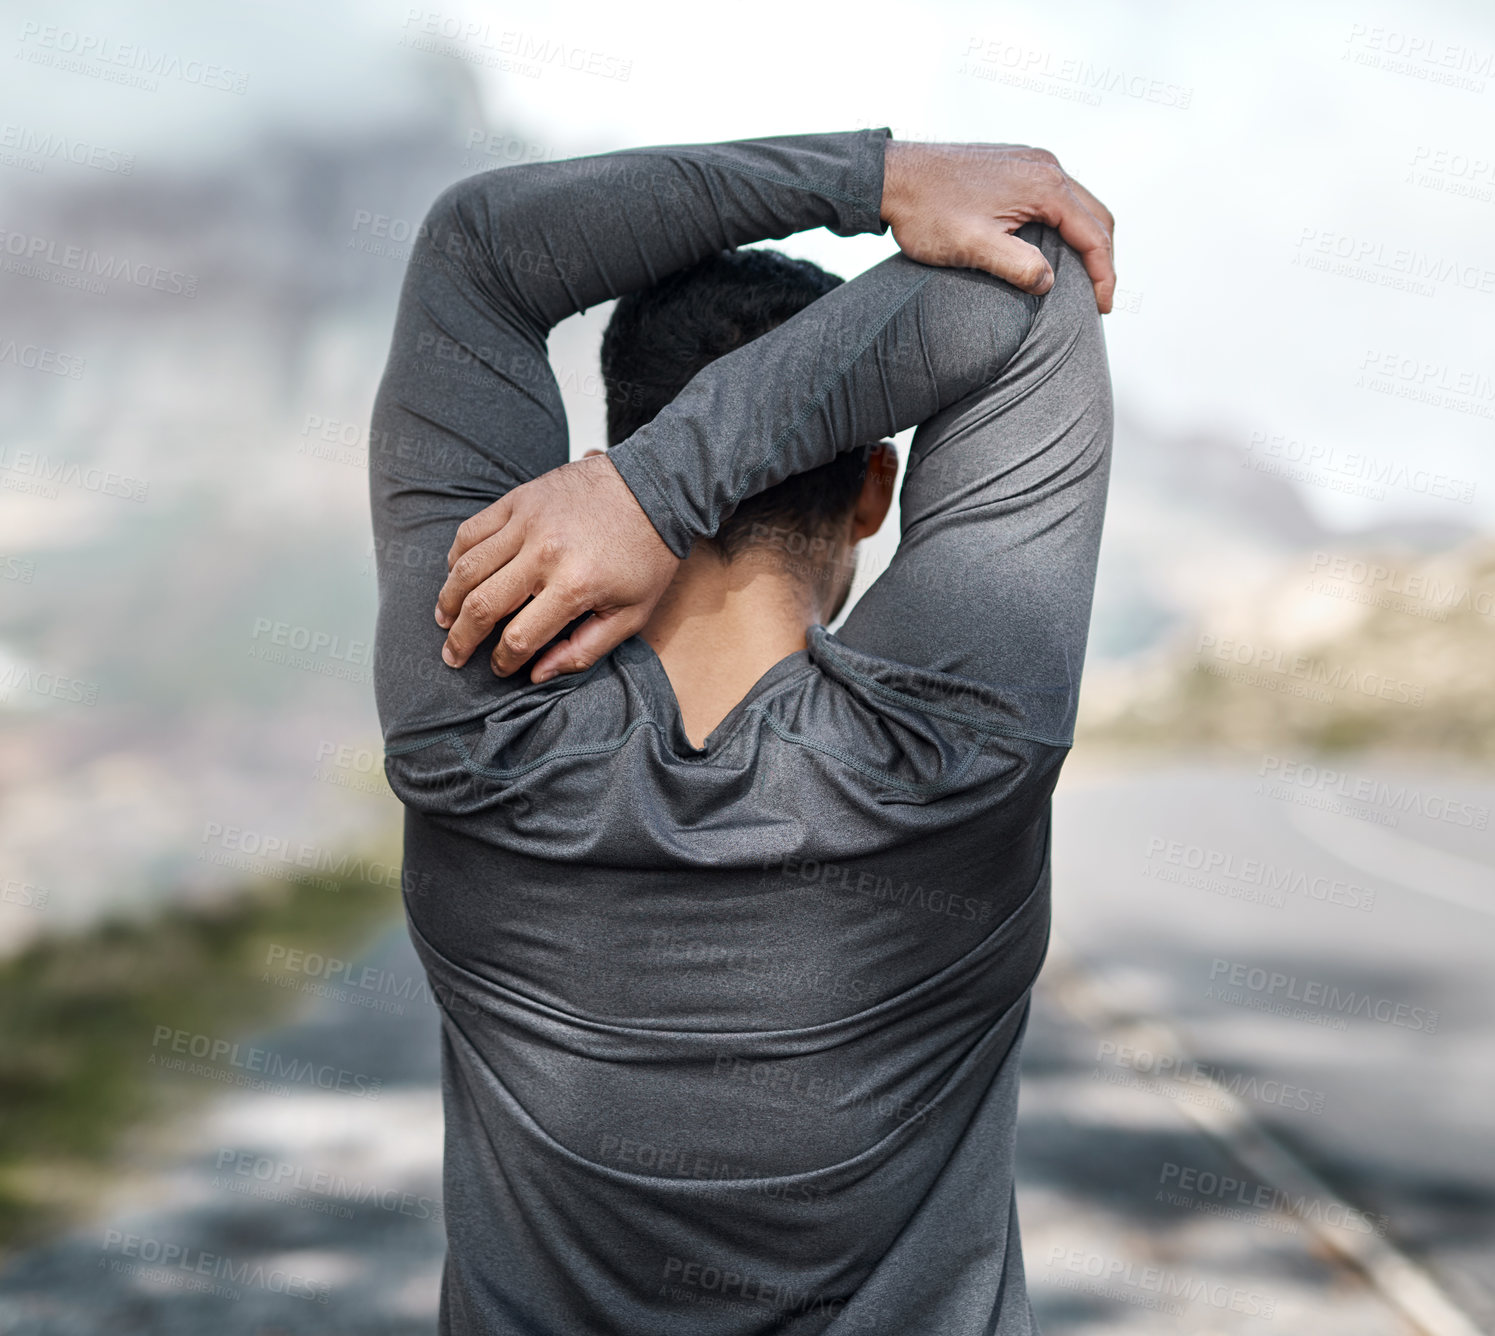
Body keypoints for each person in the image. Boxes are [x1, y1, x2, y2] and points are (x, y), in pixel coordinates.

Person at [369, 128, 1115, 1335]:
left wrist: (870, 179)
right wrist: (657, 490)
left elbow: (479, 250)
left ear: (599, 451)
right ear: (875, 488)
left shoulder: (471, 716)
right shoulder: (952, 752)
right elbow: (1034, 286)